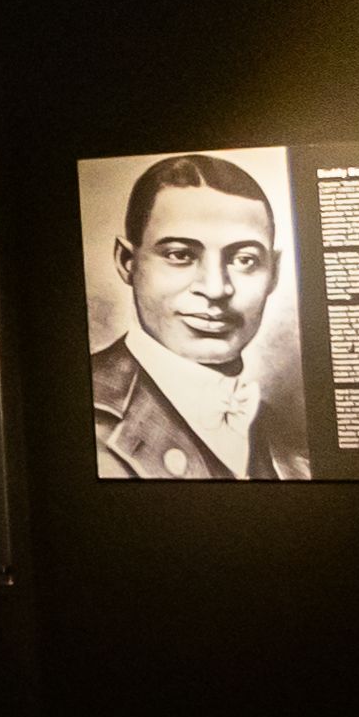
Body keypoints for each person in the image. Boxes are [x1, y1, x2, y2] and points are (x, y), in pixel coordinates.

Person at [92, 153, 308, 480]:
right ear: (127, 262)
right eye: (180, 255)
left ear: (274, 272)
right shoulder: (89, 412)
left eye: (245, 260)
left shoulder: (283, 433)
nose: (216, 288)